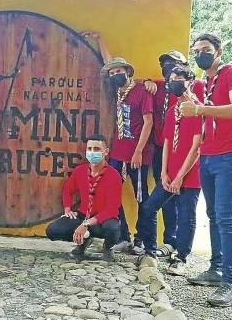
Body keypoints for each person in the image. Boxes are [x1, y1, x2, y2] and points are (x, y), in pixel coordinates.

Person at [179, 33, 232, 307]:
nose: (200, 55)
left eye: (205, 50)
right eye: (196, 51)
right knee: (213, 214)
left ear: (218, 51)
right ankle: (216, 268)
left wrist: (199, 110)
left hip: (230, 154)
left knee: (225, 216)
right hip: (208, 154)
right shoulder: (208, 81)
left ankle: (230, 282)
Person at [136, 64, 202, 275]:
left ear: (189, 82)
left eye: (179, 80)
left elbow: (196, 147)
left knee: (186, 215)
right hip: (169, 174)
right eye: (171, 80)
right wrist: (164, 173)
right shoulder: (173, 110)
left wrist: (180, 177)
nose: (174, 83)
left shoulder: (198, 109)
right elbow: (166, 143)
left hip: (190, 175)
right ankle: (151, 250)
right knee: (149, 207)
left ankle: (181, 257)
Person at [101, 57, 155, 255]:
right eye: (112, 73)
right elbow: (107, 62)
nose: (115, 75)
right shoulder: (116, 92)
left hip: (137, 153)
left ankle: (141, 239)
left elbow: (148, 122)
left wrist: (139, 151)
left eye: (118, 71)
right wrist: (99, 40)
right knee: (111, 193)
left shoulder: (142, 91)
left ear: (128, 71)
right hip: (118, 152)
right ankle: (123, 236)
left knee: (141, 196)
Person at [45, 135, 122, 262]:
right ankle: (84, 241)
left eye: (97, 149)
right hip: (82, 215)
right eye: (90, 149)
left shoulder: (114, 176)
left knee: (113, 228)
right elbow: (67, 190)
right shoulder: (80, 171)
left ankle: (108, 248)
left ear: (106, 152)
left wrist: (86, 224)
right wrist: (67, 208)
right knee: (52, 231)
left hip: (102, 220)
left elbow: (111, 210)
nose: (92, 152)